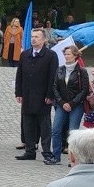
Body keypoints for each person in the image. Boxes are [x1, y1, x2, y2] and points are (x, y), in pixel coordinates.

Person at [15, 28, 58, 162]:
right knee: (28, 123)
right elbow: (19, 75)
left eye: (37, 37)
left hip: (43, 95)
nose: (33, 39)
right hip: (27, 94)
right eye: (32, 36)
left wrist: (50, 95)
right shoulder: (25, 55)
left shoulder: (50, 55)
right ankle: (30, 150)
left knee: (44, 124)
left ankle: (46, 150)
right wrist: (19, 92)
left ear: (44, 40)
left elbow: (53, 77)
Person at [49, 45, 89, 165]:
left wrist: (71, 103)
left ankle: (73, 158)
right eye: (65, 54)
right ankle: (55, 156)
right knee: (56, 129)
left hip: (76, 105)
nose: (66, 56)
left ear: (75, 55)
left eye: (69, 54)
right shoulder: (60, 69)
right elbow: (55, 87)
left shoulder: (81, 71)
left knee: (73, 132)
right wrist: (61, 102)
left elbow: (84, 90)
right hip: (62, 104)